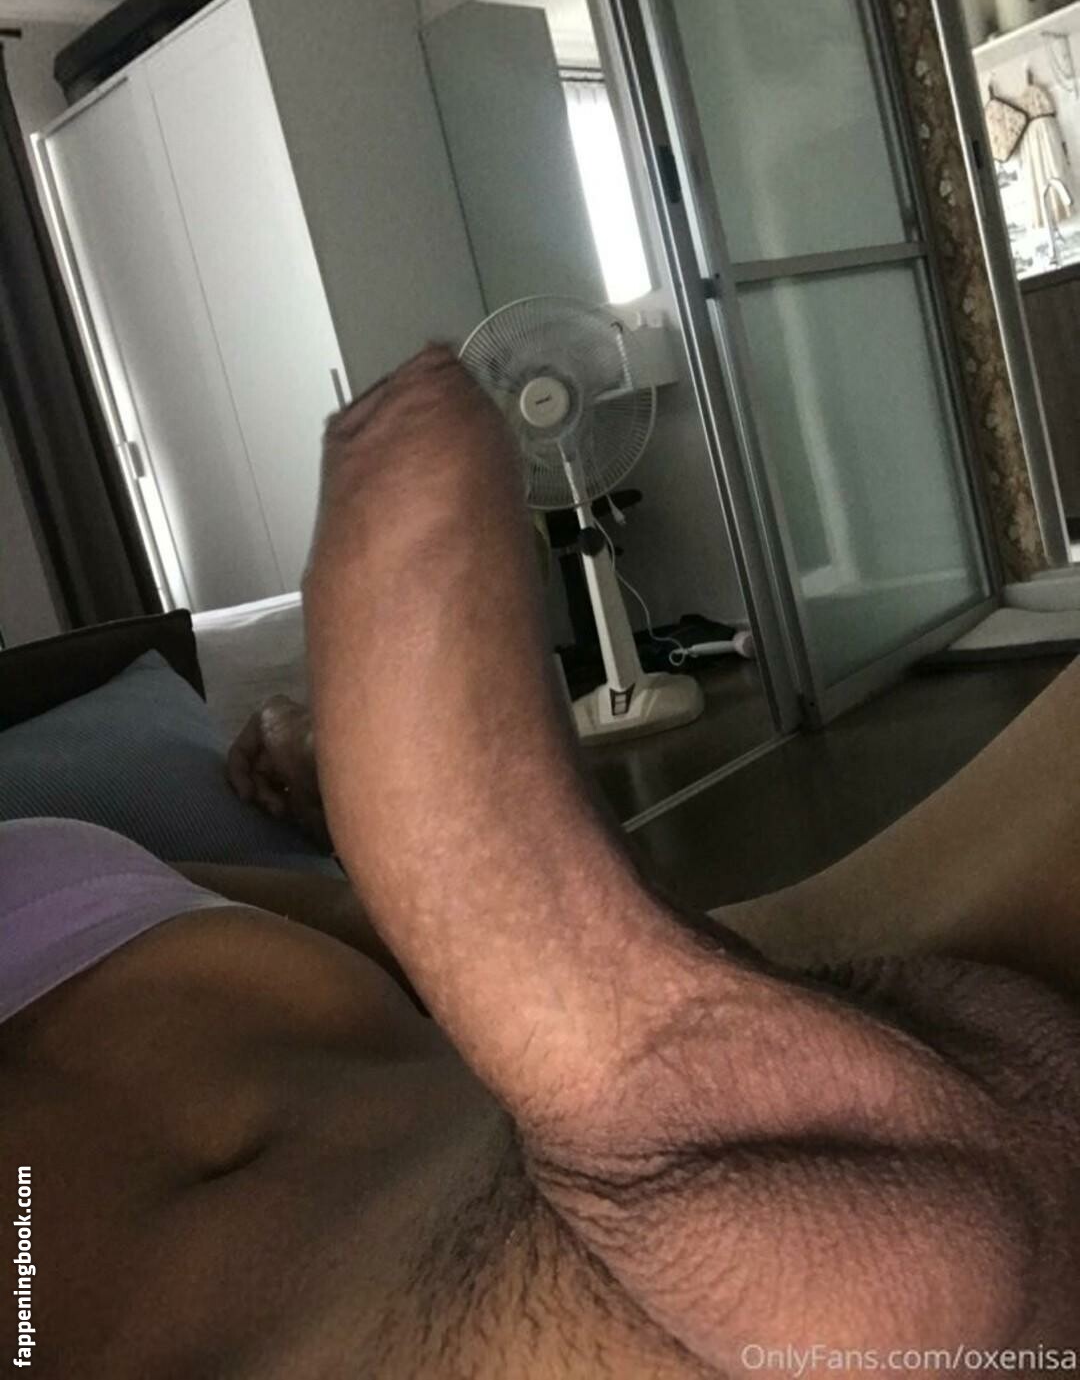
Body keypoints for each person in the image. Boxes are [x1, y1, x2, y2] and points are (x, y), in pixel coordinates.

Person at [1, 346, 1078, 1379]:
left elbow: (386, 933)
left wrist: (330, 772)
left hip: (487, 1126)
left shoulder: (45, 846)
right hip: (378, 1291)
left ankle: (750, 1113)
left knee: (794, 954)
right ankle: (741, 1133)